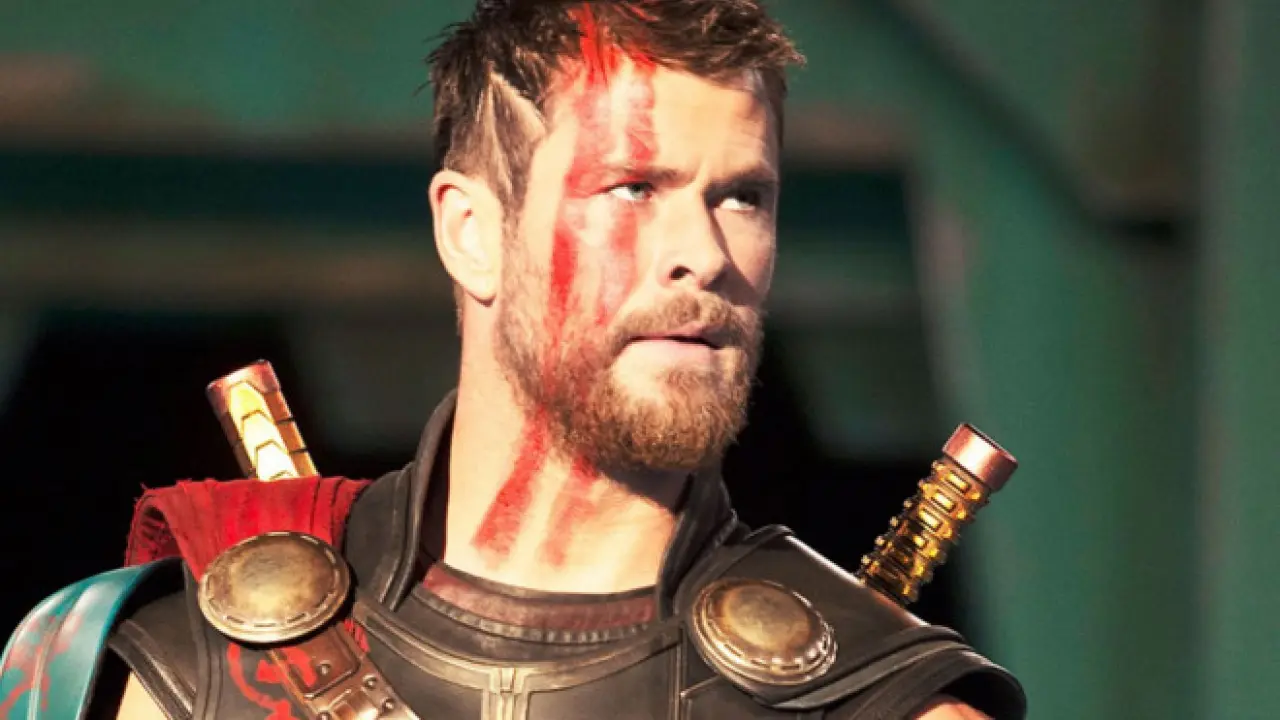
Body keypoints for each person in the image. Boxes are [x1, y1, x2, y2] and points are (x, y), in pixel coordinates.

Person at [0, 1, 1026, 718]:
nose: (705, 254)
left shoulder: (892, 704)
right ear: (473, 233)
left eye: (741, 197)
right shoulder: (174, 677)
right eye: (633, 187)